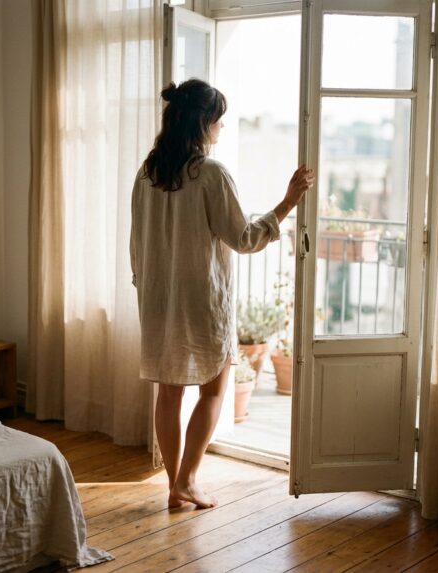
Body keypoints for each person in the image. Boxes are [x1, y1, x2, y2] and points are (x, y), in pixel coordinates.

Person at [129, 78, 314, 509]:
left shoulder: (147, 173)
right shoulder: (210, 173)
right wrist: (287, 203)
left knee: (168, 393)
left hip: (156, 299)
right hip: (200, 301)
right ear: (203, 122)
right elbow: (244, 238)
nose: (223, 127)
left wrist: (146, 286)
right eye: (220, 119)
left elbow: (136, 243)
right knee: (214, 390)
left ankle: (175, 484)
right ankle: (187, 481)